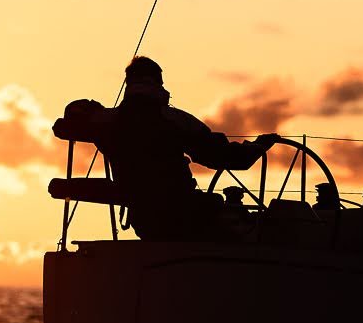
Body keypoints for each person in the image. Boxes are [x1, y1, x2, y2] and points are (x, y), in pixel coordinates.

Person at [60, 57, 278, 240]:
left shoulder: (105, 122)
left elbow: (63, 126)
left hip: (143, 220)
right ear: (156, 84)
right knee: (250, 225)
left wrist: (93, 112)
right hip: (185, 215)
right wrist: (259, 146)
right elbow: (229, 158)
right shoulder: (174, 121)